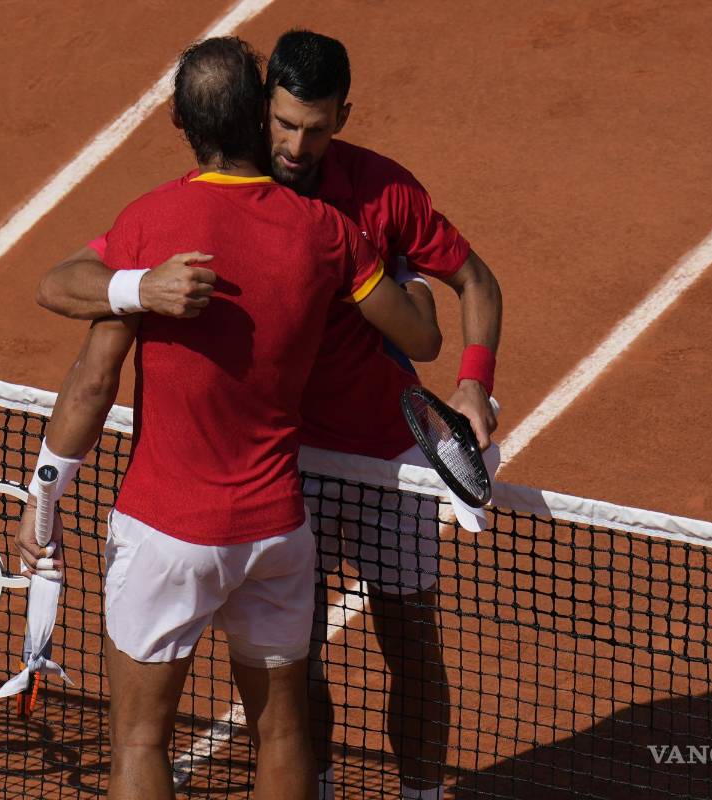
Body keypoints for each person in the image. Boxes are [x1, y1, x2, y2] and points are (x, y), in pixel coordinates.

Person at [35, 30, 503, 800]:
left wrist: (474, 385)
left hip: (385, 459)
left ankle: (419, 793)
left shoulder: (380, 196)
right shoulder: (289, 224)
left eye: (316, 129)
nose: (296, 144)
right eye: (283, 125)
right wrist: (141, 287)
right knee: (297, 674)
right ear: (260, 114)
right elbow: (418, 323)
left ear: (342, 118)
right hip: (291, 471)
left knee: (410, 642)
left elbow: (470, 288)